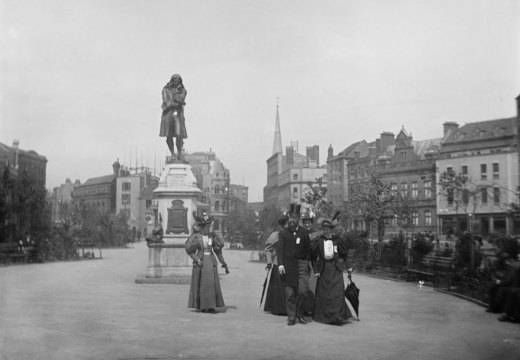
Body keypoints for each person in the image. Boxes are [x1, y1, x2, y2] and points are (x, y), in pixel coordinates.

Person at [185, 211, 229, 313]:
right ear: (202, 226)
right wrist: (196, 259)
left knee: (211, 284)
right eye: (207, 226)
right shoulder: (196, 237)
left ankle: (212, 306)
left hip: (211, 261)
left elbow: (217, 250)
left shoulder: (211, 236)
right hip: (201, 262)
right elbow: (190, 251)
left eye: (209, 226)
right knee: (203, 284)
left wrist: (223, 262)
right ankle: (204, 306)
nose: (209, 228)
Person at [312, 214, 351, 325]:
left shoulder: (337, 240)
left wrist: (349, 267)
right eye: (324, 229)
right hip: (323, 270)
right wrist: (316, 270)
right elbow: (313, 257)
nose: (326, 231)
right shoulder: (318, 241)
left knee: (337, 293)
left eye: (328, 229)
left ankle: (337, 316)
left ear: (331, 229)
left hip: (335, 269)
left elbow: (345, 254)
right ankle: (324, 316)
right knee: (324, 294)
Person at [277, 204, 312, 326]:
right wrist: (280, 265)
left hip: (301, 266)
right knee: (290, 293)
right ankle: (291, 317)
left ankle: (300, 313)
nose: (292, 220)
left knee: (303, 291)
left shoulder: (304, 233)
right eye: (290, 217)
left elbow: (308, 249)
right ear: (288, 218)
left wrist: (306, 261)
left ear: (298, 219)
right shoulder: (283, 233)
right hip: (288, 266)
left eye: (295, 217)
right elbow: (279, 250)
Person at [263, 213, 289, 315]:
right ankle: (278, 309)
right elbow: (268, 249)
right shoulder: (276, 235)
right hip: (278, 264)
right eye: (287, 224)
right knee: (279, 288)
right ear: (283, 225)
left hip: (290, 265)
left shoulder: (292, 234)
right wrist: (269, 262)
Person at [160, 74, 188, 160]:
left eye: (178, 81)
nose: (176, 83)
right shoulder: (165, 90)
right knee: (169, 135)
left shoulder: (183, 90)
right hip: (168, 114)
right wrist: (173, 103)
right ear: (172, 81)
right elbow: (165, 102)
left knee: (179, 134)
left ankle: (179, 153)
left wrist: (177, 92)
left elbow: (181, 99)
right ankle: (172, 154)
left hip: (177, 114)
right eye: (175, 81)